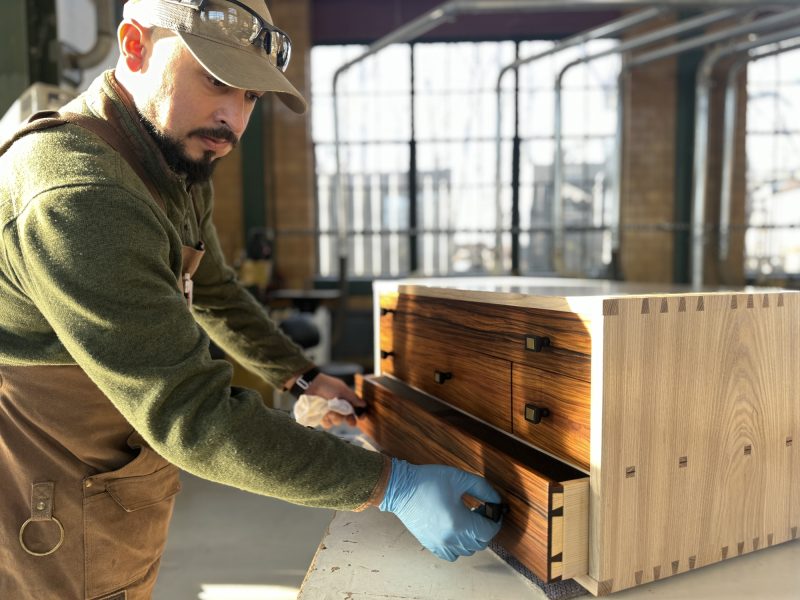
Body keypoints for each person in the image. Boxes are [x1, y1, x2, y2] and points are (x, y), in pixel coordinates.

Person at [0, 1, 502, 598]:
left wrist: (299, 376)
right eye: (217, 81)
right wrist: (390, 485)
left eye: (252, 99)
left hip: (110, 475)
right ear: (133, 46)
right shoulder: (82, 194)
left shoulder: (168, 162)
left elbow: (212, 290)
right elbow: (193, 416)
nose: (233, 122)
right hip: (46, 493)